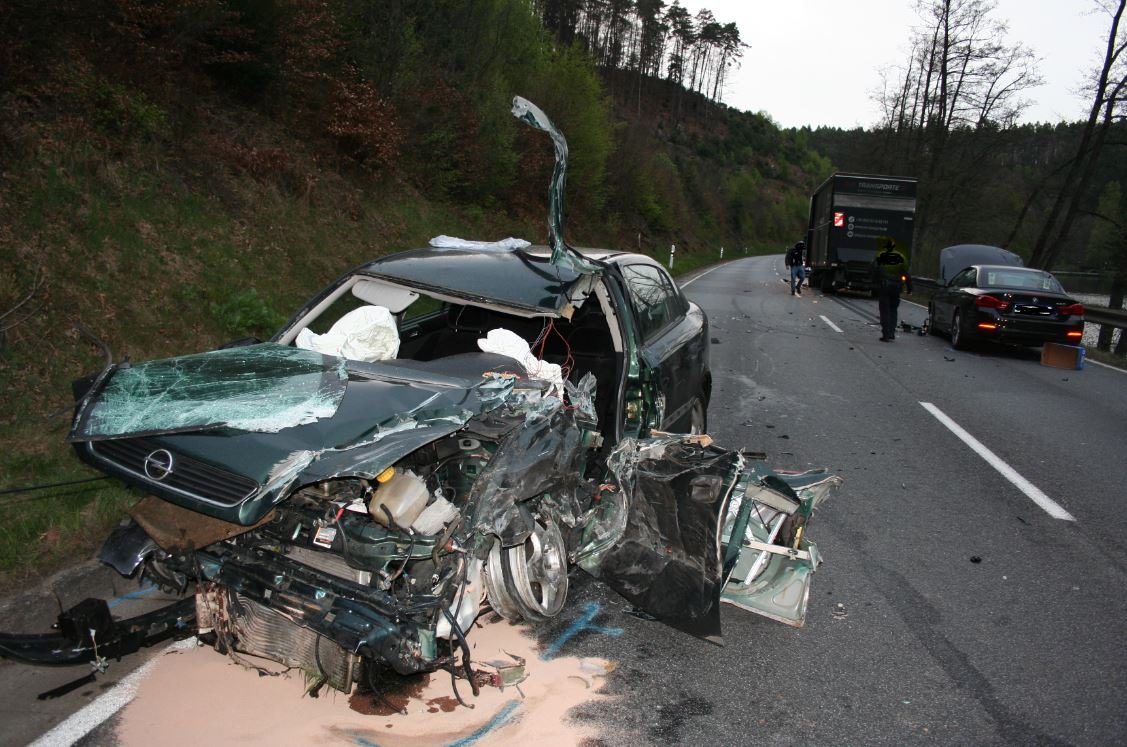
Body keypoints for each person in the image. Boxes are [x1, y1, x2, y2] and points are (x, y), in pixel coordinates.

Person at [873, 238, 912, 341]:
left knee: (884, 310)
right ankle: (891, 332)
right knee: (893, 310)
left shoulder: (881, 255)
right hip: (896, 287)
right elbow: (906, 274)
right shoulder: (901, 257)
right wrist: (909, 288)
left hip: (884, 287)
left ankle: (886, 333)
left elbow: (874, 269)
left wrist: (874, 282)